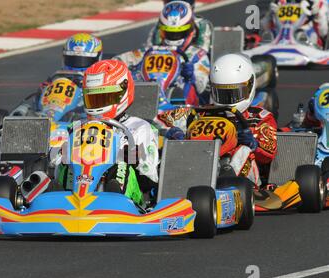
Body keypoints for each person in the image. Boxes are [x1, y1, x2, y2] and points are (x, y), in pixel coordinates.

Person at [58, 60, 160, 206]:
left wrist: (136, 158)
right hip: (79, 186)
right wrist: (61, 154)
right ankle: (57, 198)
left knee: (120, 164)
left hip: (128, 197)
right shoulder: (76, 127)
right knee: (65, 165)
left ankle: (115, 198)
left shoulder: (139, 127)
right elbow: (52, 161)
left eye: (104, 98)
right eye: (93, 98)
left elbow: (150, 179)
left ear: (122, 92)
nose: (98, 104)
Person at [188, 54, 278, 186]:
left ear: (250, 85)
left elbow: (269, 155)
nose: (229, 101)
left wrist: (254, 145)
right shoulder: (203, 113)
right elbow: (166, 119)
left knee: (243, 150)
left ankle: (228, 183)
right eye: (222, 94)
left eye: (235, 94)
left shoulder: (260, 117)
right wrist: (176, 133)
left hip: (247, 183)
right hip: (204, 167)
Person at [115, 1, 211, 105]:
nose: (174, 36)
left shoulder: (197, 55)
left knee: (184, 89)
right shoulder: (150, 51)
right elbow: (117, 61)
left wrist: (192, 77)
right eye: (170, 32)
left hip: (180, 104)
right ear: (162, 30)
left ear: (190, 30)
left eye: (179, 33)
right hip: (146, 96)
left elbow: (201, 87)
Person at [12, 33, 103, 118]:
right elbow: (36, 100)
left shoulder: (99, 83)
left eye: (83, 61)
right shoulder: (54, 80)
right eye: (72, 60)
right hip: (50, 114)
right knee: (24, 108)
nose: (77, 65)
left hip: (82, 117)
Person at [260, 0, 328, 49]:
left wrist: (317, 13)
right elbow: (263, 24)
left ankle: (306, 42)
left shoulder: (316, 3)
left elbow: (324, 32)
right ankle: (270, 43)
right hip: (280, 34)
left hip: (304, 32)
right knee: (269, 33)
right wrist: (271, 13)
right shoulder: (279, 2)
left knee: (311, 34)